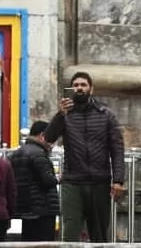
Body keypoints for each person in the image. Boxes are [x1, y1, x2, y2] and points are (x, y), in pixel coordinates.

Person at [44, 72, 125, 242]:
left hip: (99, 183)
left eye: (83, 85)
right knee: (70, 233)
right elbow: (49, 138)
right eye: (76, 85)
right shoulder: (65, 115)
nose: (79, 88)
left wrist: (118, 180)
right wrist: (60, 114)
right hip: (73, 182)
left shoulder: (106, 115)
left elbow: (117, 149)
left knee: (100, 236)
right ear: (71, 89)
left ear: (91, 89)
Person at [8, 120, 60, 241]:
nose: (52, 143)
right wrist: (57, 179)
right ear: (42, 135)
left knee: (28, 242)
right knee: (44, 243)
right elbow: (48, 180)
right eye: (51, 137)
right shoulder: (39, 153)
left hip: (25, 209)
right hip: (43, 209)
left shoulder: (16, 154)